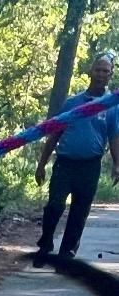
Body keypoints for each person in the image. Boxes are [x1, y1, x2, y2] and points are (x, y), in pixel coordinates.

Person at [34, 52, 119, 263]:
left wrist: (117, 164)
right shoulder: (72, 104)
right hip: (64, 163)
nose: (101, 74)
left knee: (80, 211)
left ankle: (67, 254)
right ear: (90, 72)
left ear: (111, 75)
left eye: (105, 71)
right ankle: (45, 246)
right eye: (98, 70)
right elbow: (55, 134)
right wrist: (42, 164)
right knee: (54, 205)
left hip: (90, 166)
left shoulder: (112, 107)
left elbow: (114, 136)